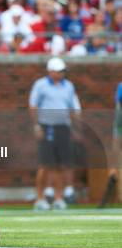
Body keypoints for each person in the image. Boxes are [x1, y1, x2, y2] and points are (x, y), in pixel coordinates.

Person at [29, 58, 81, 210]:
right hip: (47, 127)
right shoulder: (40, 85)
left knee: (60, 164)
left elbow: (72, 108)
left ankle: (59, 198)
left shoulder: (69, 86)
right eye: (58, 71)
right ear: (50, 71)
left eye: (62, 71)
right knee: (45, 164)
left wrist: (75, 128)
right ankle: (40, 198)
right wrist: (36, 126)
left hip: (63, 127)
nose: (60, 74)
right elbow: (33, 106)